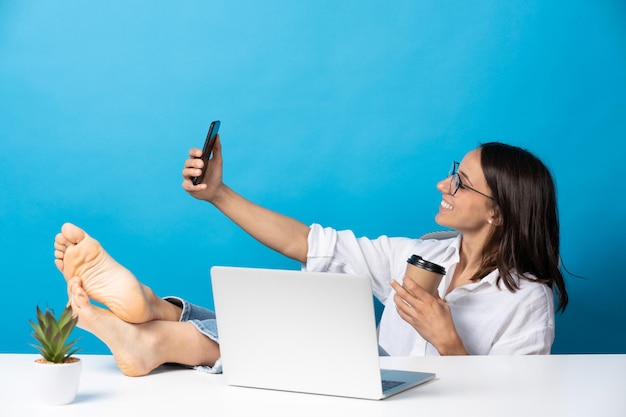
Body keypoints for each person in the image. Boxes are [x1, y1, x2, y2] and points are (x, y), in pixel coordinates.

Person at [54, 136, 568, 376]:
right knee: (282, 330)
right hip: (367, 385)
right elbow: (309, 243)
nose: (443, 184)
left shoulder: (527, 301)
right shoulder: (418, 255)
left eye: (460, 182)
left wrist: (448, 341)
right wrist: (218, 194)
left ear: (497, 212)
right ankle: (154, 317)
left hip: (415, 398)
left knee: (282, 347)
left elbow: (515, 406)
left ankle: (157, 321)